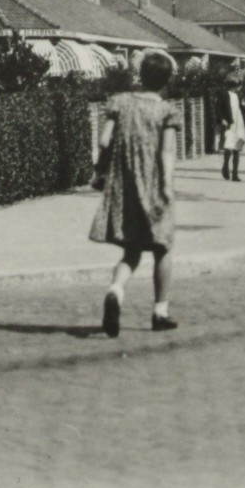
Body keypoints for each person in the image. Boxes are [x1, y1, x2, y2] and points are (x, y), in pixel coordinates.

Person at [90, 50, 183, 335]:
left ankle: (116, 291)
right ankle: (160, 312)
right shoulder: (167, 111)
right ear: (166, 80)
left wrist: (102, 170)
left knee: (131, 249)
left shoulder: (119, 102)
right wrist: (167, 186)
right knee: (162, 247)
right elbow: (166, 152)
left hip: (125, 186)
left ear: (141, 75)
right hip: (153, 185)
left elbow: (104, 140)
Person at [215, 68, 245, 181]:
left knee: (237, 147)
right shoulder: (224, 95)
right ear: (234, 85)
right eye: (239, 86)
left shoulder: (238, 96)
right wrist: (222, 119)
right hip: (230, 123)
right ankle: (225, 166)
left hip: (238, 123)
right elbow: (218, 109)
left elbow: (242, 110)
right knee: (229, 147)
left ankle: (235, 173)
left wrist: (244, 105)